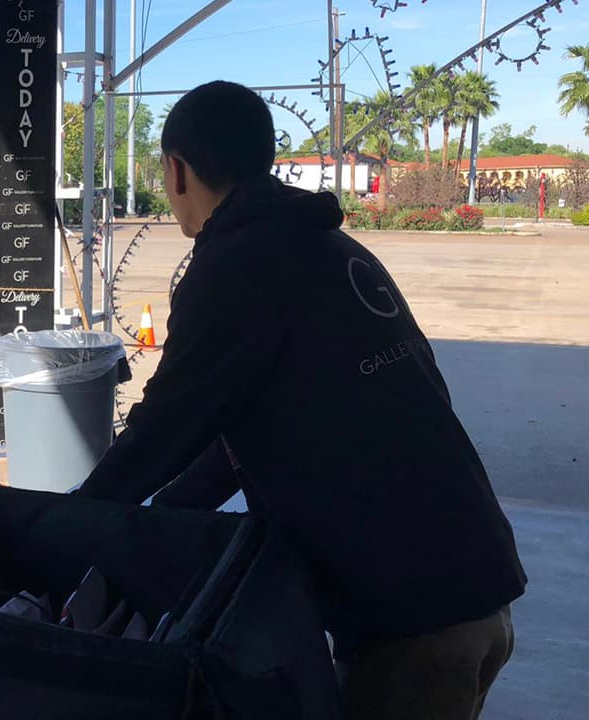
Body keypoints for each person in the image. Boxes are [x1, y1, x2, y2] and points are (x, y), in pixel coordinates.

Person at [76, 81, 526, 719]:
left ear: (176, 170)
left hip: (412, 620)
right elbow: (241, 426)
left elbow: (168, 425)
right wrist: (170, 514)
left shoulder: (234, 265)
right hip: (475, 588)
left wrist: (62, 526)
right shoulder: (329, 247)